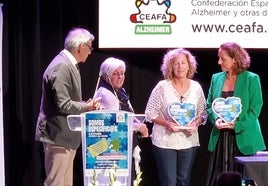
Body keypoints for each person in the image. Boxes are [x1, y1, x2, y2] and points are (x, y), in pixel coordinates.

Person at [35, 27, 101, 186]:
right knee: (56, 182)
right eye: (90, 47)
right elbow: (63, 104)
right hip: (58, 135)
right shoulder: (62, 66)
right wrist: (87, 107)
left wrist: (86, 105)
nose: (90, 52)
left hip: (66, 136)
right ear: (81, 47)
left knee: (65, 183)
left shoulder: (69, 64)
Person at [205, 42, 266, 186]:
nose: (219, 62)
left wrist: (237, 125)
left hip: (243, 135)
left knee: (244, 179)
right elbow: (209, 106)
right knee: (220, 177)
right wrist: (215, 121)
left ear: (235, 59)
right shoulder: (216, 78)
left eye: (223, 58)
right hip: (221, 138)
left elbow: (255, 108)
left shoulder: (252, 78)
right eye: (219, 58)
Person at [144, 48, 207, 186]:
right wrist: (167, 123)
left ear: (189, 65)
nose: (180, 67)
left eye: (183, 63)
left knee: (183, 181)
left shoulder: (196, 87)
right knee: (169, 182)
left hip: (188, 141)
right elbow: (150, 113)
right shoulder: (162, 86)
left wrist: (196, 123)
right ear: (170, 66)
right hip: (165, 140)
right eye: (176, 63)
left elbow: (203, 113)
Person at [93, 57, 149, 184]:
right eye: (115, 73)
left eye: (122, 73)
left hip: (122, 145)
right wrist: (137, 127)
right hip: (109, 147)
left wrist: (140, 124)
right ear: (106, 76)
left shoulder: (120, 92)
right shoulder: (105, 94)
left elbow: (129, 114)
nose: (120, 77)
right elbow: (116, 122)